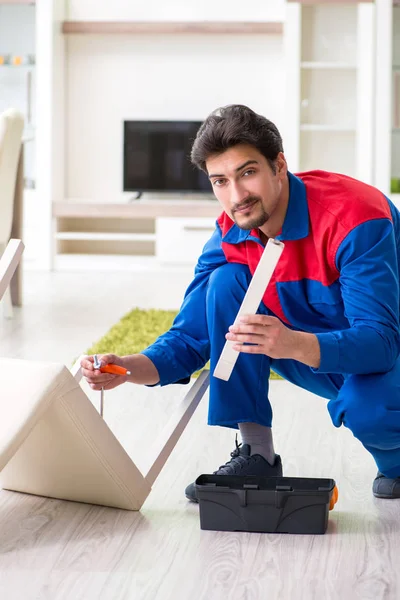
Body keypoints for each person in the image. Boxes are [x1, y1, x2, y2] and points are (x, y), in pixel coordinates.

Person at [81, 104, 400, 502]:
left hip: (386, 348)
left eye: (247, 173)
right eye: (220, 181)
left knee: (369, 410)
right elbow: (190, 338)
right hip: (314, 349)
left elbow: (381, 343)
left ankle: (396, 461)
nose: (236, 196)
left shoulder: (354, 217)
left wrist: (292, 343)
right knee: (227, 281)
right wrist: (129, 369)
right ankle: (257, 454)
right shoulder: (230, 232)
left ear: (279, 166)